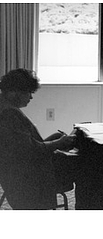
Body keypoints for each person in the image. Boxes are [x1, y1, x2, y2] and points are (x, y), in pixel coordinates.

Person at [0, 68, 78, 209]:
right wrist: (57, 143)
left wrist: (56, 141)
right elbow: (29, 151)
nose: (31, 97)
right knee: (85, 164)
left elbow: (24, 146)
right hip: (28, 176)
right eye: (28, 92)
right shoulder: (9, 114)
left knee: (59, 139)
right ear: (14, 92)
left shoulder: (6, 107)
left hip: (18, 169)